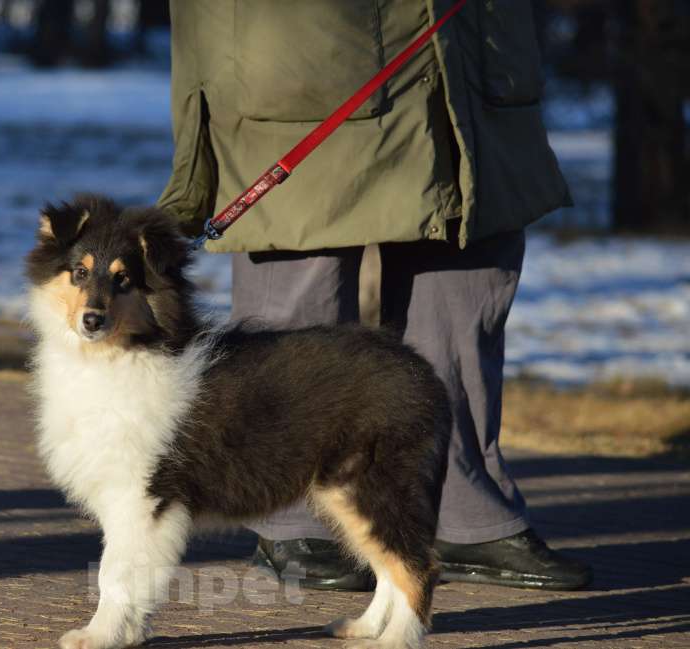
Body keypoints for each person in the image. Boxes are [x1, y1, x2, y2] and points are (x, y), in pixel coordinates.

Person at [157, 0, 592, 591]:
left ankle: (463, 509)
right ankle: (290, 516)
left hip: (468, 48)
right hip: (306, 51)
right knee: (301, 287)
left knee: (465, 284)